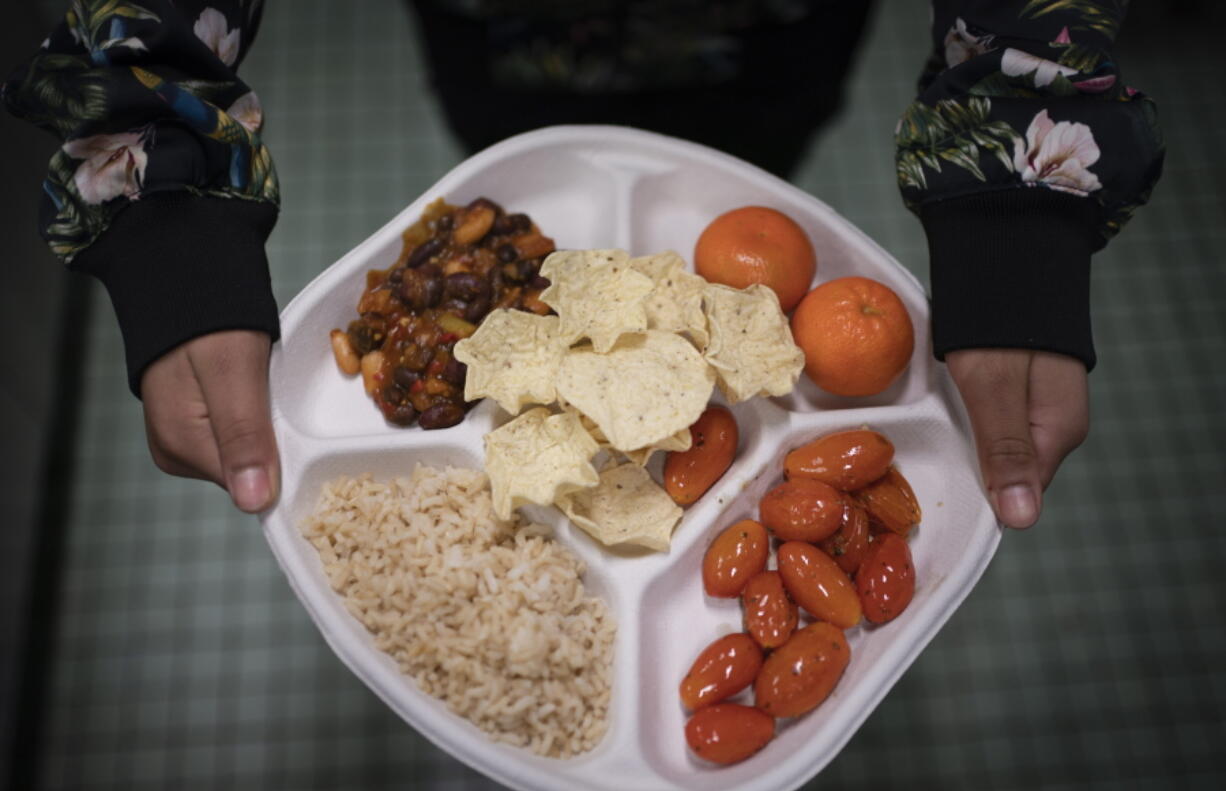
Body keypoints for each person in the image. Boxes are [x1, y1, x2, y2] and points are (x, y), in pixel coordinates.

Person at [3, 0, 1163, 529]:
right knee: (499, 121)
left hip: (769, 37)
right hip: (507, 39)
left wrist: (1017, 167)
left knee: (748, 154)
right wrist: (157, 190)